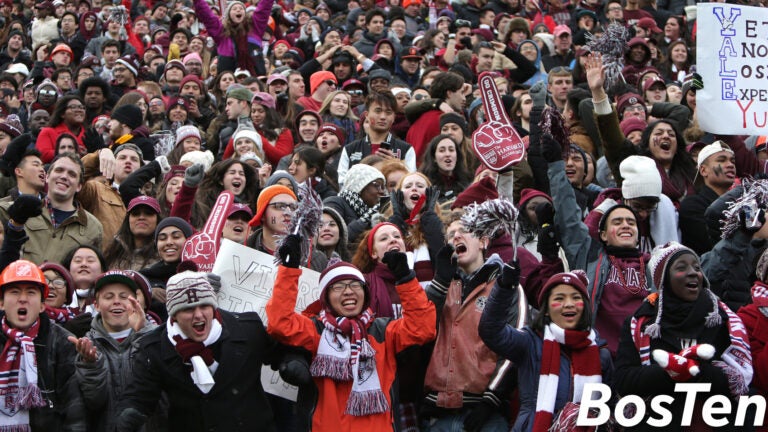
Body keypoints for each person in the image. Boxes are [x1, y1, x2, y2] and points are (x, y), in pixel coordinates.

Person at [266, 237, 436, 431]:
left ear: (365, 294)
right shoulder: (315, 331)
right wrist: (289, 271)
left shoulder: (383, 331)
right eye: (338, 287)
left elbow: (423, 328)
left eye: (355, 285)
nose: (348, 291)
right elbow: (280, 322)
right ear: (326, 298)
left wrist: (406, 279)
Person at [115, 269, 283, 431]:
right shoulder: (155, 347)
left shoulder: (247, 329)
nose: (199, 315)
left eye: (204, 306)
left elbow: (280, 353)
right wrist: (130, 412)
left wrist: (293, 363)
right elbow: (139, 393)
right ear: (174, 315)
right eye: (189, 309)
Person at [614, 242, 753, 429]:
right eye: (681, 267)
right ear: (664, 280)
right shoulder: (641, 323)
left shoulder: (722, 319)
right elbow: (624, 380)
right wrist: (669, 371)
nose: (693, 272)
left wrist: (695, 370)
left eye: (697, 267)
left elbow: (740, 382)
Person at [479, 269, 613, 431]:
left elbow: (609, 408)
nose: (569, 304)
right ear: (547, 309)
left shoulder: (600, 353)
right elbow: (491, 332)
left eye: (576, 298)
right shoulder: (530, 342)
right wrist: (504, 288)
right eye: (559, 298)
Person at [0, 259, 85, 430]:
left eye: (31, 293)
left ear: (42, 305)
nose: (22, 299)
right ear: (1, 303)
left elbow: (75, 410)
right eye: (15, 292)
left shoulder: (63, 342)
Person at [68, 270, 156, 432]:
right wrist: (91, 366)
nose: (117, 302)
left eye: (124, 297)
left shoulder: (156, 337)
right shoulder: (86, 344)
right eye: (108, 297)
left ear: (136, 301)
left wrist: (143, 334)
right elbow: (94, 402)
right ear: (96, 304)